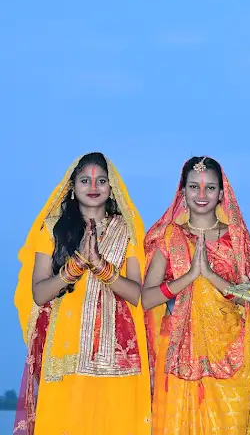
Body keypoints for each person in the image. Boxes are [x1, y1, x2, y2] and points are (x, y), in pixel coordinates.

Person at [13, 152, 151, 435]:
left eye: (101, 181)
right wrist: (75, 266)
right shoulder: (52, 229)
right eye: (85, 180)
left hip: (117, 353)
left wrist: (100, 266)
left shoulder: (127, 230)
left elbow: (136, 294)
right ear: (73, 187)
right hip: (66, 349)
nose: (93, 186)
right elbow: (39, 293)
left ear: (111, 187)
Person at [142, 156, 250, 435]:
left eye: (210, 187)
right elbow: (147, 299)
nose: (202, 194)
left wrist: (210, 275)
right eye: (194, 186)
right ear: (182, 191)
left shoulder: (237, 239)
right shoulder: (170, 237)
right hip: (178, 352)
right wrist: (189, 277)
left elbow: (249, 298)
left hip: (229, 352)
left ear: (221, 193)